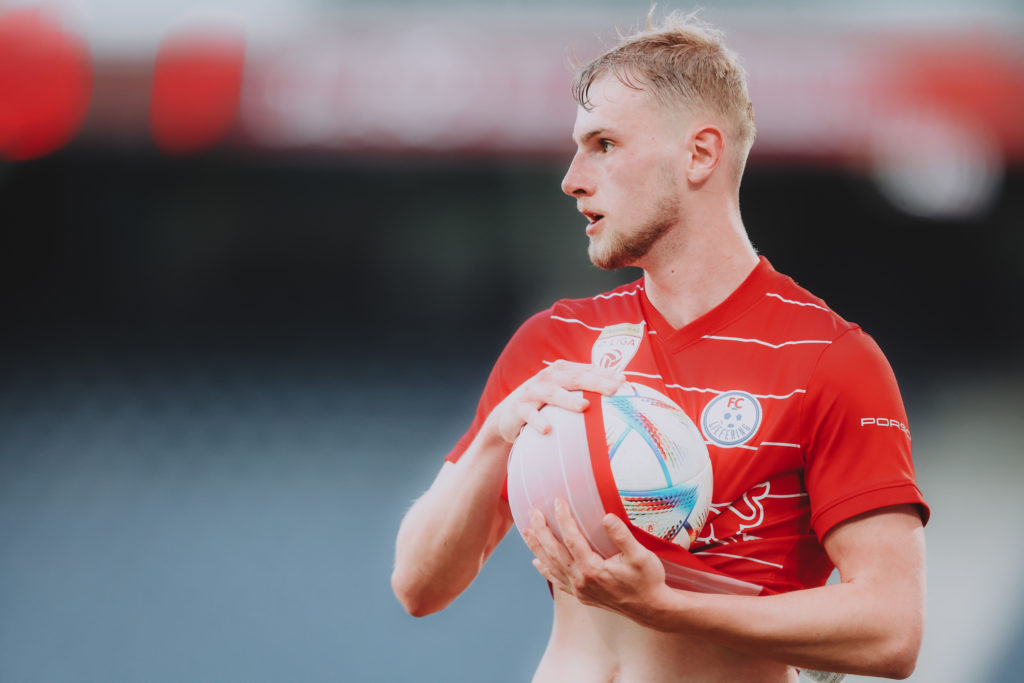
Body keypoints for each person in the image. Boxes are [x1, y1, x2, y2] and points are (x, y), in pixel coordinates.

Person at [391, 11, 928, 682]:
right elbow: (418, 586)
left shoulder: (830, 358)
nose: (572, 177)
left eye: (604, 144)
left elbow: (891, 628)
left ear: (699, 155)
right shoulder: (555, 344)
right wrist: (497, 436)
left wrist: (669, 608)